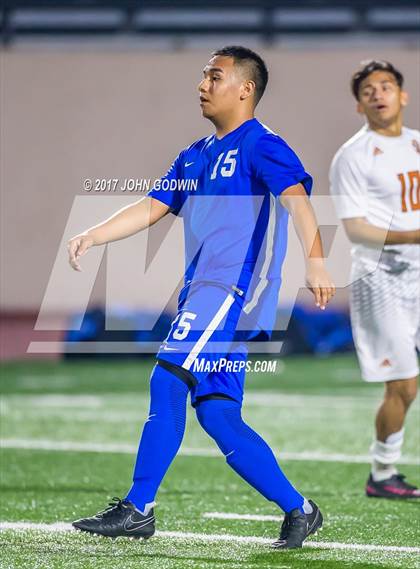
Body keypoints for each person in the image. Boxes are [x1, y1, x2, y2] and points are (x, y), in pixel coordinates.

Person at [68, 46, 335, 548]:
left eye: (215, 76)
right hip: (207, 295)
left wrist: (317, 260)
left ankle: (139, 508)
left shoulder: (262, 144)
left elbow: (298, 203)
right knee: (218, 415)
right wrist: (94, 234)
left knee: (167, 379)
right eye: (203, 76)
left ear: (245, 89)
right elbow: (152, 206)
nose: (202, 85)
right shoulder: (193, 154)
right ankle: (300, 510)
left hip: (229, 292)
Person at [330, 60, 420, 499]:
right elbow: (356, 229)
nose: (378, 94)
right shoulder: (353, 156)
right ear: (358, 105)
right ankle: (382, 474)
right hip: (381, 280)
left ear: (402, 95)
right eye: (368, 90)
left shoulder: (417, 144)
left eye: (386, 86)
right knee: (403, 384)